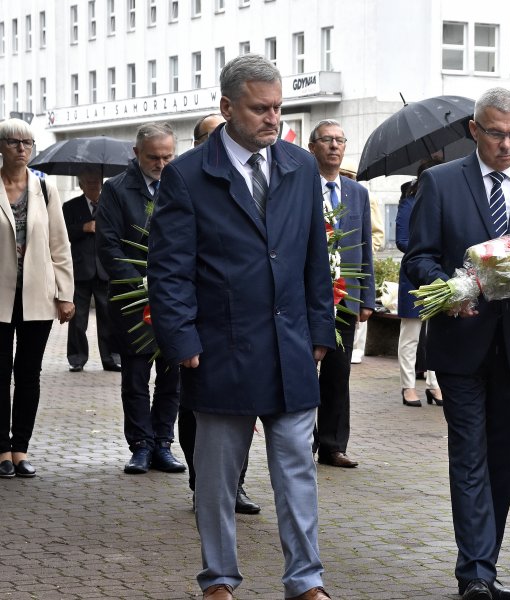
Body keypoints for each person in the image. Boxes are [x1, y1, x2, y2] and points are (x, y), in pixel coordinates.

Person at [148, 54, 336, 600]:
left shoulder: (300, 168)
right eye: (260, 109)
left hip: (292, 347)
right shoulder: (188, 176)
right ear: (227, 107)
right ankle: (219, 580)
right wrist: (181, 339)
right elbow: (170, 269)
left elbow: (313, 260)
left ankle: (306, 581)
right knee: (217, 477)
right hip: (221, 349)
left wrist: (320, 333)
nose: (272, 118)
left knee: (298, 469)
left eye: (278, 107)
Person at [403, 86, 510, 600]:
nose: (508, 145)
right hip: (461, 343)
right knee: (469, 454)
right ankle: (475, 573)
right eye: (497, 134)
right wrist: (450, 290)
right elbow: (418, 259)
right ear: (475, 130)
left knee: (502, 459)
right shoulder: (441, 183)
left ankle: (485, 564)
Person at [173, 113, 261, 515]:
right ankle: (202, 483)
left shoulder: (259, 176)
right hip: (202, 324)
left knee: (243, 410)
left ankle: (235, 483)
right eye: (211, 138)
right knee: (200, 410)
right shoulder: (187, 179)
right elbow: (175, 265)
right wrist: (181, 330)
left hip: (248, 326)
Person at [96, 122, 185, 476]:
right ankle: (140, 445)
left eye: (167, 156)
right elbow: (108, 244)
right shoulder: (116, 190)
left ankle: (163, 442)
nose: (161, 164)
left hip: (175, 298)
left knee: (171, 375)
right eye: (153, 157)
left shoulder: (182, 185)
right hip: (134, 301)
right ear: (136, 154)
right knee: (135, 377)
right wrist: (142, 288)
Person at [0, 118, 75, 479]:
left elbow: (60, 244)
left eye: (28, 143)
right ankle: (1, 449)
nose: (22, 149)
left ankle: (20, 449)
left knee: (28, 374)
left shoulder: (44, 188)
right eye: (14, 142)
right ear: (1, 146)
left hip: (36, 297)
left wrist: (66, 294)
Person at [308, 119, 376, 469]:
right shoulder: (301, 187)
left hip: (346, 299)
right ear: (312, 148)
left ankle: (333, 445)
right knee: (306, 372)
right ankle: (303, 442)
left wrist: (367, 299)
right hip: (307, 298)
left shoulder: (357, 193)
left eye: (340, 140)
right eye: (327, 140)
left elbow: (365, 247)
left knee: (338, 375)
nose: (334, 146)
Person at [63, 167, 120, 373]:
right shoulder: (69, 207)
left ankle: (111, 358)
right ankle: (77, 358)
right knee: (77, 319)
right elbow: (61, 234)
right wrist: (83, 228)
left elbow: (119, 232)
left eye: (97, 181)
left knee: (109, 317)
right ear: (81, 185)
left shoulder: (110, 205)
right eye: (89, 182)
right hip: (80, 270)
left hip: (105, 269)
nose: (94, 185)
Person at [396, 160, 442, 408]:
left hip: (440, 273)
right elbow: (403, 239)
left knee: (437, 331)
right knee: (411, 332)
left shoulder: (446, 199)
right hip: (414, 273)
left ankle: (434, 385)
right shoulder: (409, 198)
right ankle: (408, 386)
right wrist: (426, 248)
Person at [350, 193, 384, 364]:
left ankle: (358, 347)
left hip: (358, 261)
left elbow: (377, 232)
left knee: (359, 300)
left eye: (350, 176)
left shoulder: (364, 197)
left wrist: (366, 251)